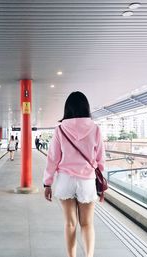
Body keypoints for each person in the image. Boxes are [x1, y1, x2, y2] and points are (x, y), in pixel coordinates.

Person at [43, 91, 105, 257]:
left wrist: (47, 183)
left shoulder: (60, 130)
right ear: (86, 108)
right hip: (87, 181)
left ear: (67, 109)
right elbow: (100, 159)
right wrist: (101, 184)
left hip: (65, 180)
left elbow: (53, 158)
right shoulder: (95, 129)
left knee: (70, 224)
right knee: (87, 224)